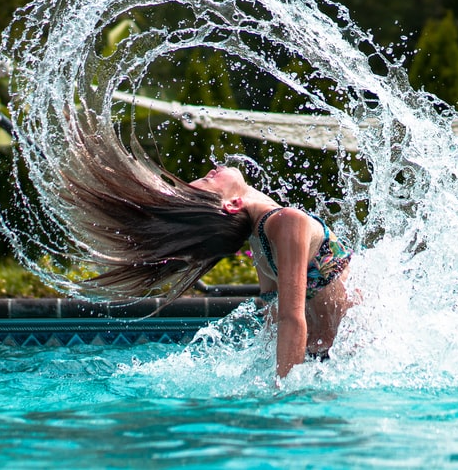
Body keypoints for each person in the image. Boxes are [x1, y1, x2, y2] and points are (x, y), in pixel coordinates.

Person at [57, 115, 354, 378]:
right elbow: (290, 318)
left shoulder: (261, 238)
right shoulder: (287, 222)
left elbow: (270, 312)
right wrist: (286, 401)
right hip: (350, 358)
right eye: (207, 180)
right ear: (232, 204)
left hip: (325, 361)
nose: (210, 171)